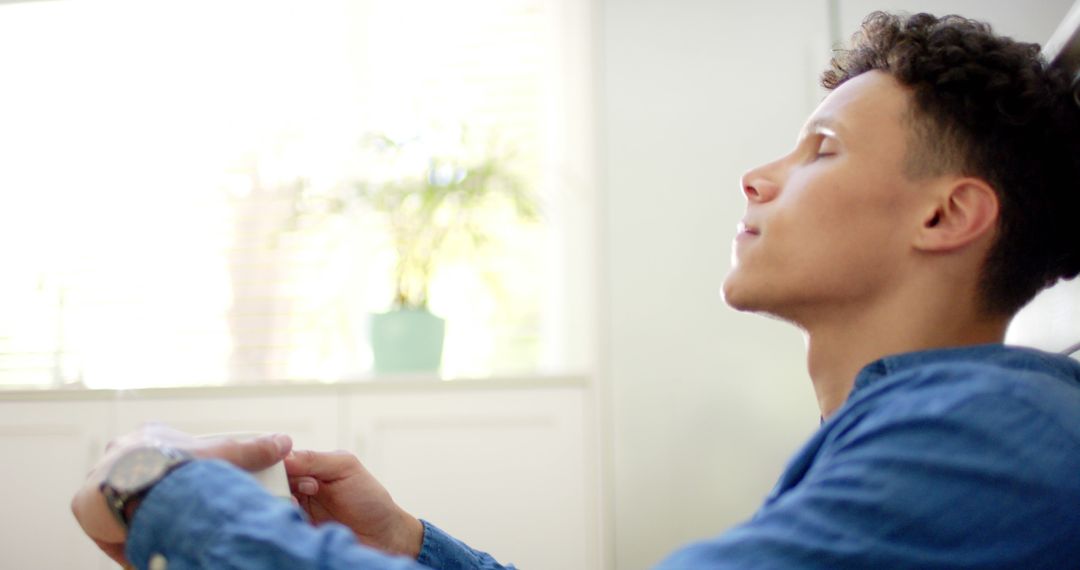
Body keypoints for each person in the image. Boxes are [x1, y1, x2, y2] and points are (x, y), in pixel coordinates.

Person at [72, 10, 1080, 569]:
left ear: (947, 216)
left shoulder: (991, 437)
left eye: (819, 148)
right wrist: (414, 547)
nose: (759, 174)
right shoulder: (938, 433)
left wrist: (158, 487)